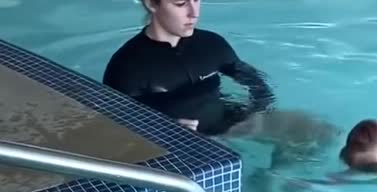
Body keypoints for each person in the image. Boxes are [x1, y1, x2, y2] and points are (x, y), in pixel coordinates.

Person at [102, 0, 276, 136]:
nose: (194, 14)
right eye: (181, 4)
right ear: (152, 4)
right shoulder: (126, 66)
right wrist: (165, 131)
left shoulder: (211, 44)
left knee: (300, 127)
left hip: (228, 124)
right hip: (182, 143)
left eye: (196, 0)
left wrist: (257, 112)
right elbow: (117, 127)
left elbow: (256, 83)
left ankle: (269, 177)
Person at [221, 110, 342, 192]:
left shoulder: (308, 134)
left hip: (279, 130)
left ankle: (266, 182)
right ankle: (265, 189)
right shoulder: (301, 138)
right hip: (242, 129)